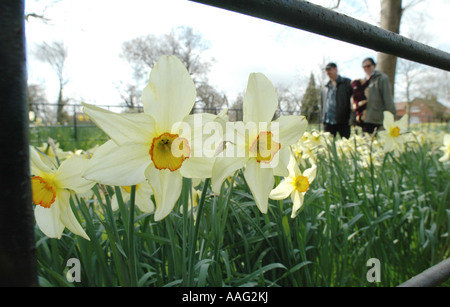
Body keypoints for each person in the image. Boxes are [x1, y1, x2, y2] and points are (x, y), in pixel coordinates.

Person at [360, 57, 396, 134]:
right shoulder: (362, 81)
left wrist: (391, 117)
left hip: (376, 117)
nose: (366, 68)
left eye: (368, 66)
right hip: (364, 117)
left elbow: (388, 98)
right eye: (364, 67)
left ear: (374, 66)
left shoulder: (382, 78)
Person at [321, 62, 353, 139]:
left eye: (329, 69)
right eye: (326, 70)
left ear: (336, 69)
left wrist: (352, 119)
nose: (328, 72)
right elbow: (323, 105)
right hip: (328, 121)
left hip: (343, 121)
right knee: (328, 146)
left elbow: (352, 101)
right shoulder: (325, 87)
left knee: (346, 143)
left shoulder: (346, 83)